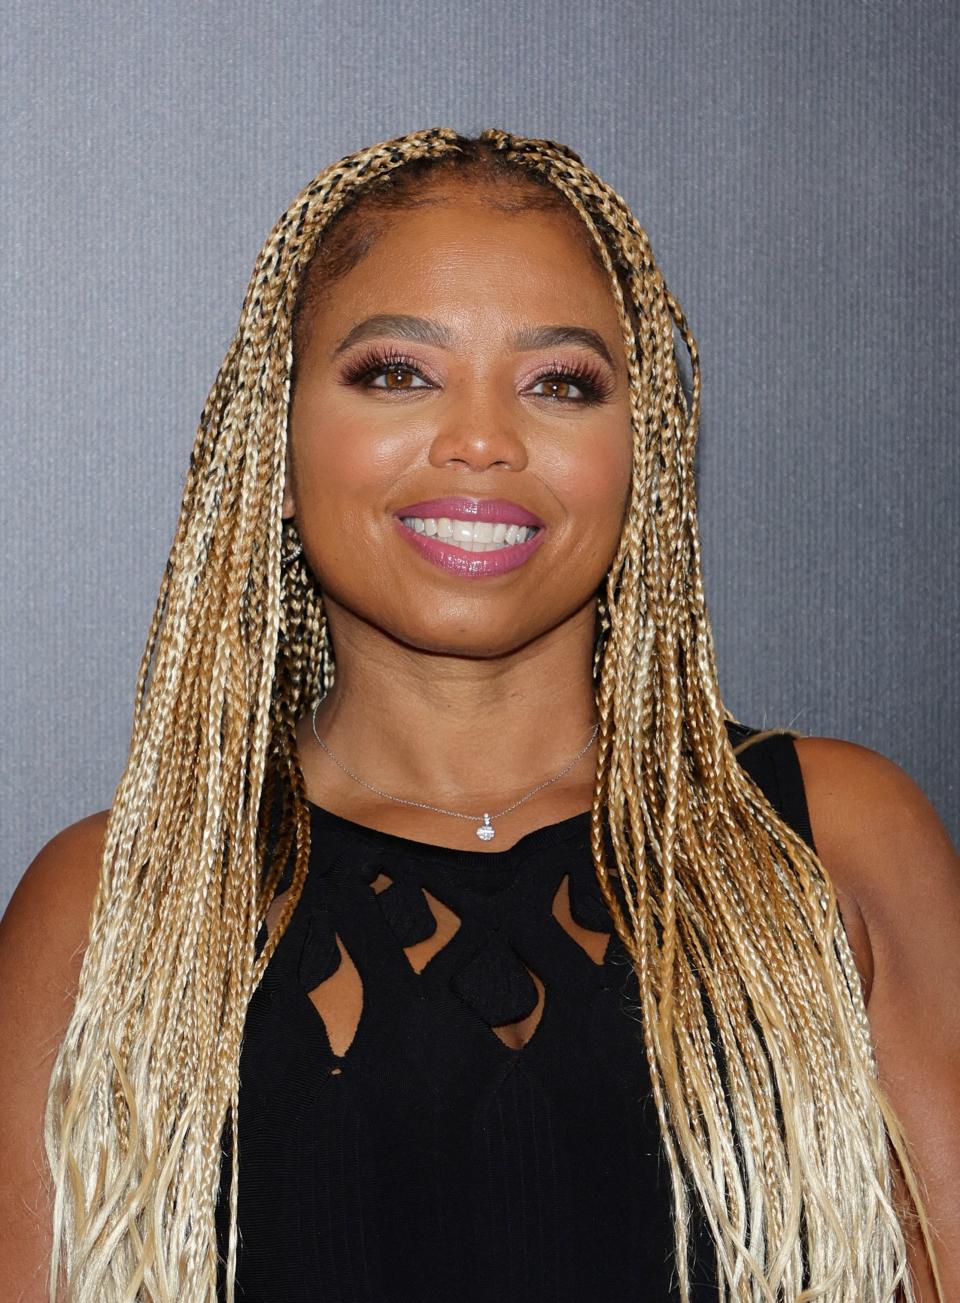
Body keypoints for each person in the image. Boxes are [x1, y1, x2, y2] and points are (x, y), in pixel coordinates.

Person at [0, 127, 957, 1303]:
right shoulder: (116, 907)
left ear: (641, 456)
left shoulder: (833, 841)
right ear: (279, 445)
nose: (484, 441)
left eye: (561, 382)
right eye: (397, 371)